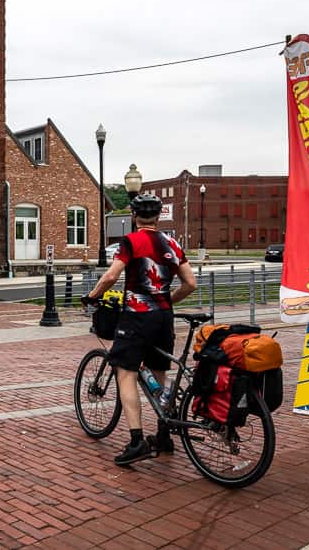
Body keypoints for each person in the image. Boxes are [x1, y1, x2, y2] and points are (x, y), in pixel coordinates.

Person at [83, 192, 197, 466]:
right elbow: (190, 284)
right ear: (158, 217)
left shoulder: (131, 241)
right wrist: (165, 301)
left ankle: (136, 441)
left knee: (126, 373)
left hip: (136, 318)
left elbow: (111, 275)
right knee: (159, 376)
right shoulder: (172, 243)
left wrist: (93, 296)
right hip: (163, 319)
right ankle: (163, 435)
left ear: (134, 217)